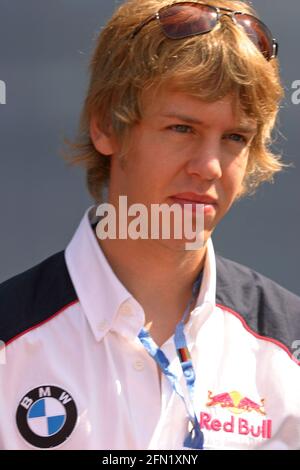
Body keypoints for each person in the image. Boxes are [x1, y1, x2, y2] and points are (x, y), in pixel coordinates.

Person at [0, 0, 299, 451]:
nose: (209, 167)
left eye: (235, 137)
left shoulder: (287, 347)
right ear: (106, 127)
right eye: (182, 128)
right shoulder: (12, 344)